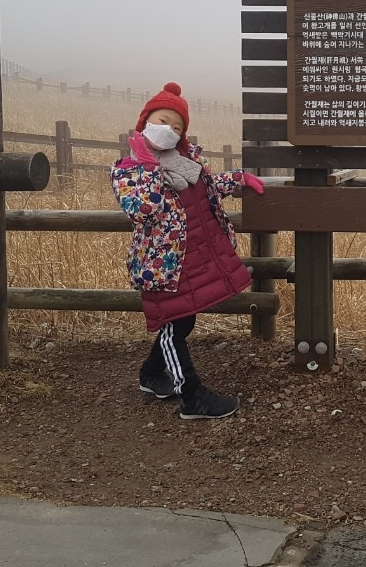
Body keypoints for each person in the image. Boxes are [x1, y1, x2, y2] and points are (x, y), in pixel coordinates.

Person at [111, 82, 265, 420]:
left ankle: (151, 375)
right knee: (172, 327)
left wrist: (238, 179)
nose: (169, 130)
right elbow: (142, 209)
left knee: (183, 321)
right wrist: (151, 169)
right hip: (161, 267)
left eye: (177, 127)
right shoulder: (129, 170)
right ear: (145, 121)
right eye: (163, 121)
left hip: (190, 261)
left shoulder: (185, 162)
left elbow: (206, 188)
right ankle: (191, 397)